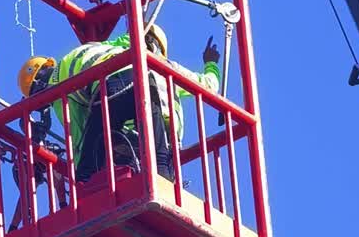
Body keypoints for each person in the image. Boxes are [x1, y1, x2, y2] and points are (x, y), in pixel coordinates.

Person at [17, 24, 220, 185]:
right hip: (160, 128)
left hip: (113, 89)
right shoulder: (161, 66)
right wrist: (211, 64)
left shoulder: (58, 86)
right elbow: (209, 85)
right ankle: (162, 181)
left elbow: (77, 130)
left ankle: (94, 187)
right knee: (160, 166)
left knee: (92, 157)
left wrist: (81, 173)